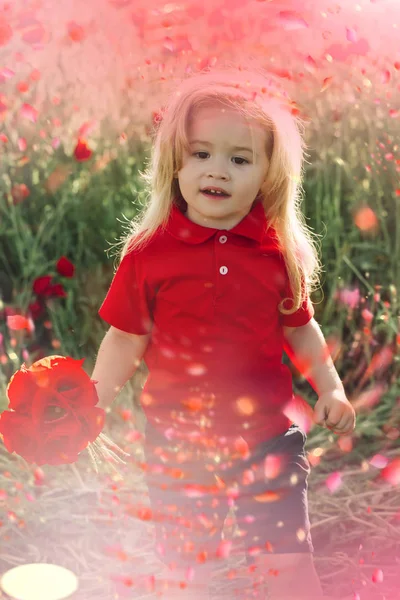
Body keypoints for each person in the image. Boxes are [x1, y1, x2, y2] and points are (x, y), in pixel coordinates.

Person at [92, 63, 356, 600]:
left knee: (289, 570)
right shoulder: (149, 254)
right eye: (201, 153)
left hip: (268, 441)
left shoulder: (276, 255)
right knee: (190, 575)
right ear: (175, 162)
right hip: (178, 445)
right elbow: (125, 338)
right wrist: (95, 398)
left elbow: (300, 330)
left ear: (267, 175)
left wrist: (330, 388)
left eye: (239, 159)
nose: (218, 171)